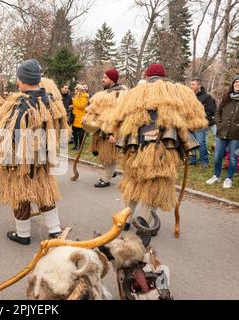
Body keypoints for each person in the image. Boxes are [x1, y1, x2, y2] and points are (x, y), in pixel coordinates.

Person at [113, 64, 207, 232]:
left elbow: (118, 120)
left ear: (148, 76)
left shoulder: (135, 93)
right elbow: (197, 121)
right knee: (156, 184)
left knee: (134, 180)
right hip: (165, 148)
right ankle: (144, 223)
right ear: (164, 76)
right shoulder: (179, 91)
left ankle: (125, 220)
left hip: (136, 147)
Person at [0, 59, 68, 245]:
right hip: (43, 158)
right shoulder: (50, 101)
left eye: (18, 78)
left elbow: (9, 135)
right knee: (45, 192)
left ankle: (23, 234)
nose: (17, 81)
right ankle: (55, 230)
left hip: (21, 161)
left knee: (20, 194)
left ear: (23, 80)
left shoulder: (21, 104)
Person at [83, 68, 127, 188]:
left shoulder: (119, 94)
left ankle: (106, 178)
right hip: (100, 128)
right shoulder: (105, 93)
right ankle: (111, 173)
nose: (103, 80)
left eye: (105, 78)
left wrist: (112, 133)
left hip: (110, 129)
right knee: (97, 151)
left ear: (112, 80)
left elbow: (117, 114)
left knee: (109, 156)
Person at [206, 75, 239, 189]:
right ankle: (216, 175)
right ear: (232, 84)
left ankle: (229, 178)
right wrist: (219, 123)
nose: (237, 84)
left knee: (233, 158)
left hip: (236, 135)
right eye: (235, 82)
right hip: (221, 132)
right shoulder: (227, 97)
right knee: (217, 157)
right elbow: (217, 112)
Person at [189, 79, 217, 167]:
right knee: (190, 142)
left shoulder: (207, 97)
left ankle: (204, 161)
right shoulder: (189, 96)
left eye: (193, 84)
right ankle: (192, 160)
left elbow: (211, 111)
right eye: (191, 84)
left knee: (201, 142)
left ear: (199, 86)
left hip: (200, 123)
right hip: (189, 123)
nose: (191, 86)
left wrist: (202, 120)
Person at [71, 84, 89, 150]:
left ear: (79, 90)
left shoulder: (84, 97)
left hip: (81, 118)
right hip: (75, 117)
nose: (74, 90)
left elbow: (81, 106)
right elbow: (76, 105)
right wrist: (72, 106)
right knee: (74, 132)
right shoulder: (76, 97)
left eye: (75, 89)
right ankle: (75, 145)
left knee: (80, 133)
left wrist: (74, 101)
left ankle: (80, 146)